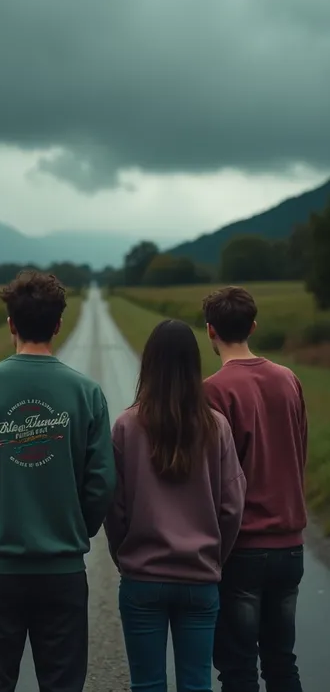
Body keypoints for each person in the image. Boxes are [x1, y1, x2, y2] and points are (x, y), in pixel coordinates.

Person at [0, 270, 116, 692]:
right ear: (58, 324)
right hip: (62, 571)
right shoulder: (87, 392)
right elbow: (100, 483)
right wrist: (75, 528)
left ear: (10, 323)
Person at [105, 319, 246, 692]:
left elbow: (114, 507)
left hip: (143, 575)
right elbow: (232, 506)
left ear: (148, 364)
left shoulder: (126, 426)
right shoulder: (216, 427)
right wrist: (216, 555)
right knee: (197, 682)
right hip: (199, 576)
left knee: (147, 683)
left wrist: (123, 554)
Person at [202, 286, 307, 692]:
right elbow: (297, 453)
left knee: (238, 668)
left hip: (242, 547)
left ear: (211, 331)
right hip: (291, 545)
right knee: (282, 663)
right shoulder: (289, 379)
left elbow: (213, 476)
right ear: (254, 326)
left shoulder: (213, 390)